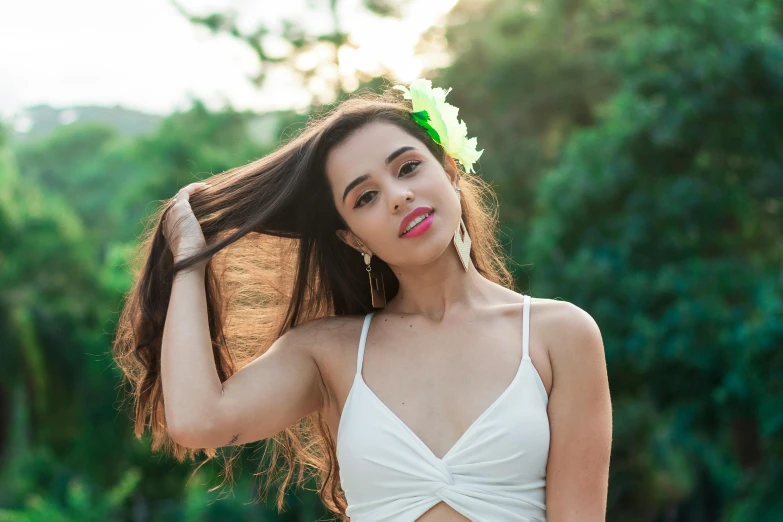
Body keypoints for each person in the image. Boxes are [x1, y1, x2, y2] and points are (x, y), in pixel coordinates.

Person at [112, 78, 612, 521]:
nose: (397, 196)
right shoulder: (328, 353)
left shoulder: (559, 335)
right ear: (353, 237)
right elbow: (198, 421)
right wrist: (190, 263)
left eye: (409, 167)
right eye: (364, 197)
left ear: (451, 170)